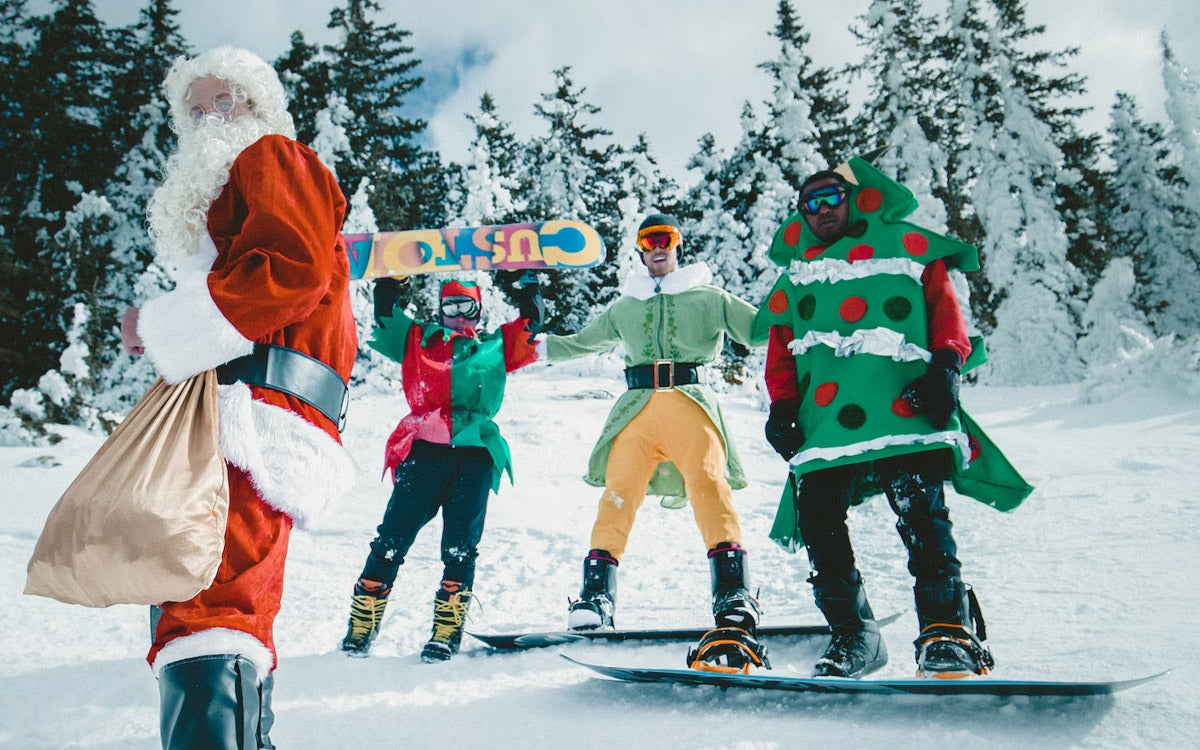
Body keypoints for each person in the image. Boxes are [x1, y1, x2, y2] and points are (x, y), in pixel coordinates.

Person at [119, 47, 356, 747]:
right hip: (243, 417)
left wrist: (162, 327)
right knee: (213, 610)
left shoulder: (272, 156)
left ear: (258, 105)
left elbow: (292, 270)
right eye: (193, 109)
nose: (206, 119)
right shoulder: (239, 199)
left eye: (223, 101)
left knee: (205, 606)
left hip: (248, 419)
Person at [755, 157, 1031, 679]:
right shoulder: (796, 276)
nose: (822, 209)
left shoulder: (908, 248)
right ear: (800, 216)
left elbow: (943, 310)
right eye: (809, 203)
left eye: (831, 196)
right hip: (828, 421)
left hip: (905, 407)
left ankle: (947, 632)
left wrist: (947, 365)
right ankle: (854, 635)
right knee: (818, 518)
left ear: (854, 198)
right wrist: (783, 405)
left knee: (922, 513)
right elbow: (780, 348)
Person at [543, 213, 769, 671]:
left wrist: (799, 299)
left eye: (666, 238)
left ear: (677, 244)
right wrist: (531, 337)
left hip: (690, 404)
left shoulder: (709, 297)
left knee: (709, 486)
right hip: (636, 410)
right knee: (617, 497)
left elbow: (762, 330)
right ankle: (595, 599)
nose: (658, 247)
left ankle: (733, 596)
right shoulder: (625, 306)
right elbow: (579, 344)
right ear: (640, 251)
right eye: (649, 241)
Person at [339, 274, 543, 662]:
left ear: (479, 309)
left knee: (460, 548)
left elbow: (532, 326)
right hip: (425, 451)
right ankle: (363, 623)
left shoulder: (497, 345)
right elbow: (385, 318)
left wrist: (527, 286)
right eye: (450, 306)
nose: (458, 315)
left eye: (466, 306)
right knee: (391, 540)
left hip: (475, 454)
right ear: (439, 309)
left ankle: (446, 631)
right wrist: (391, 279)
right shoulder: (418, 338)